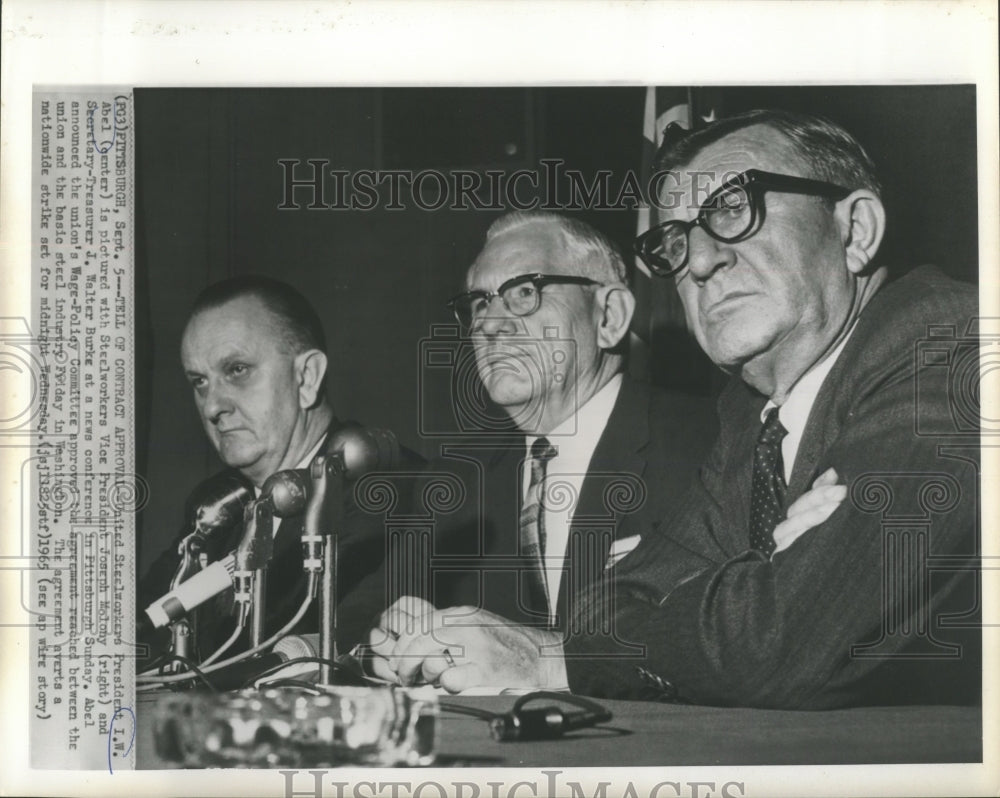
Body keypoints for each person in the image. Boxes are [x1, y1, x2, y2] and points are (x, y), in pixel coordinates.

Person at [372, 111, 981, 708]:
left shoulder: (952, 345)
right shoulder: (750, 417)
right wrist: (768, 571)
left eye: (735, 208)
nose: (699, 261)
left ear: (856, 231)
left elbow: (775, 645)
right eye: (676, 240)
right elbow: (602, 606)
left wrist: (553, 660)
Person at [374, 210, 716, 686]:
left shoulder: (714, 442)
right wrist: (397, 639)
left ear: (609, 316)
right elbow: (370, 627)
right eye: (478, 303)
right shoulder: (455, 483)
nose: (488, 325)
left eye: (524, 293)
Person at [138, 275, 422, 666]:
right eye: (200, 382)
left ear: (306, 378)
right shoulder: (215, 505)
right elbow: (140, 627)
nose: (211, 407)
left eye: (237, 370)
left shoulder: (386, 490)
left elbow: (327, 643)